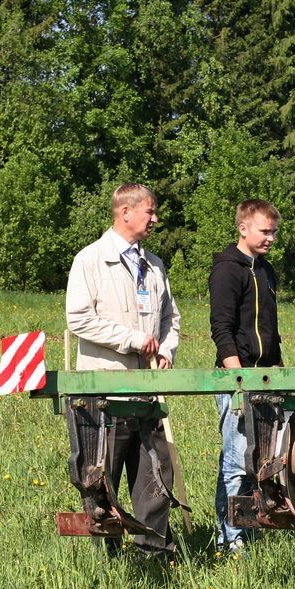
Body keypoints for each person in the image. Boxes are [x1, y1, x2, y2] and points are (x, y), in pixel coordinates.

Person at [64, 182, 181, 558]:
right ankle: (107, 559)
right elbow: (78, 318)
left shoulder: (154, 265)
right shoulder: (91, 260)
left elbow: (170, 318)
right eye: (150, 211)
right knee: (102, 483)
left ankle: (153, 553)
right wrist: (130, 339)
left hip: (146, 393)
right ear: (125, 212)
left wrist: (165, 348)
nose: (155, 218)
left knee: (155, 477)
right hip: (105, 395)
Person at [207, 199, 283, 551]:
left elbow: (271, 329)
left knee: (260, 460)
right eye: (264, 231)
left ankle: (251, 529)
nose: (270, 238)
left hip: (266, 378)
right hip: (237, 378)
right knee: (236, 460)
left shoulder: (266, 272)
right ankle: (229, 538)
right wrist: (236, 377)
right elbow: (221, 328)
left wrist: (277, 370)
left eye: (274, 232)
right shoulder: (227, 270)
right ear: (243, 229)